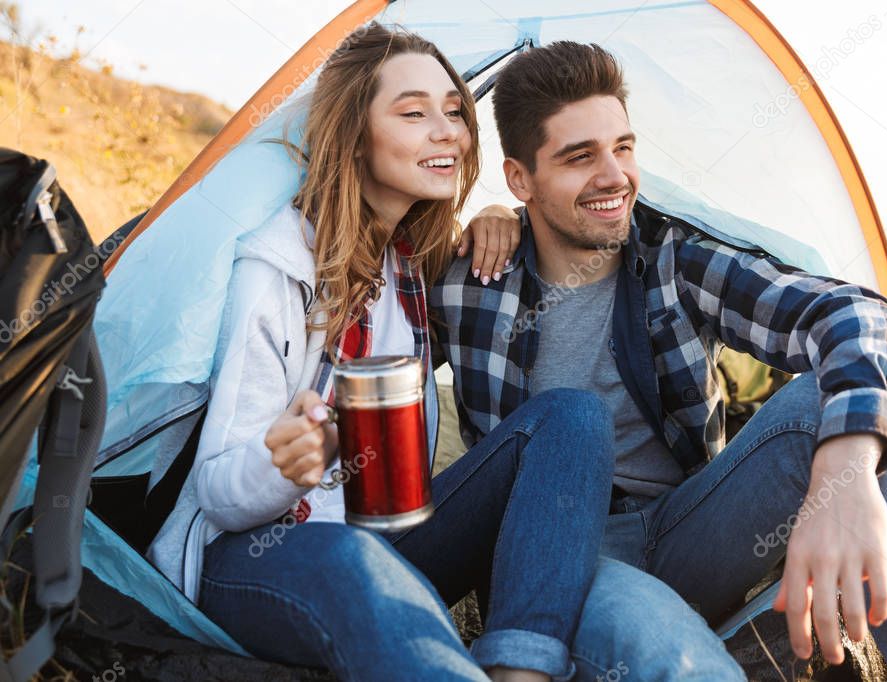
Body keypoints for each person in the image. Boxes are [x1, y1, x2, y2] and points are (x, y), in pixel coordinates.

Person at [146, 24, 744, 682]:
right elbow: (218, 493)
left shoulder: (413, 266)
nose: (448, 133)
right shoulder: (279, 266)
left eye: (454, 112)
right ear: (354, 133)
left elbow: (528, 223)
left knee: (572, 415)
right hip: (261, 555)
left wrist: (504, 219)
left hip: (389, 535)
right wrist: (283, 463)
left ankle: (522, 666)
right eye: (413, 113)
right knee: (357, 563)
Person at [430, 40, 887, 680]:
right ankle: (727, 649)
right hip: (559, 556)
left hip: (691, 527)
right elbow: (354, 360)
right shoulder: (468, 282)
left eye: (623, 147)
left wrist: (848, 467)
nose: (614, 176)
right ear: (519, 179)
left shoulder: (671, 256)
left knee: (844, 404)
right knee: (678, 658)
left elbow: (865, 319)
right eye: (580, 157)